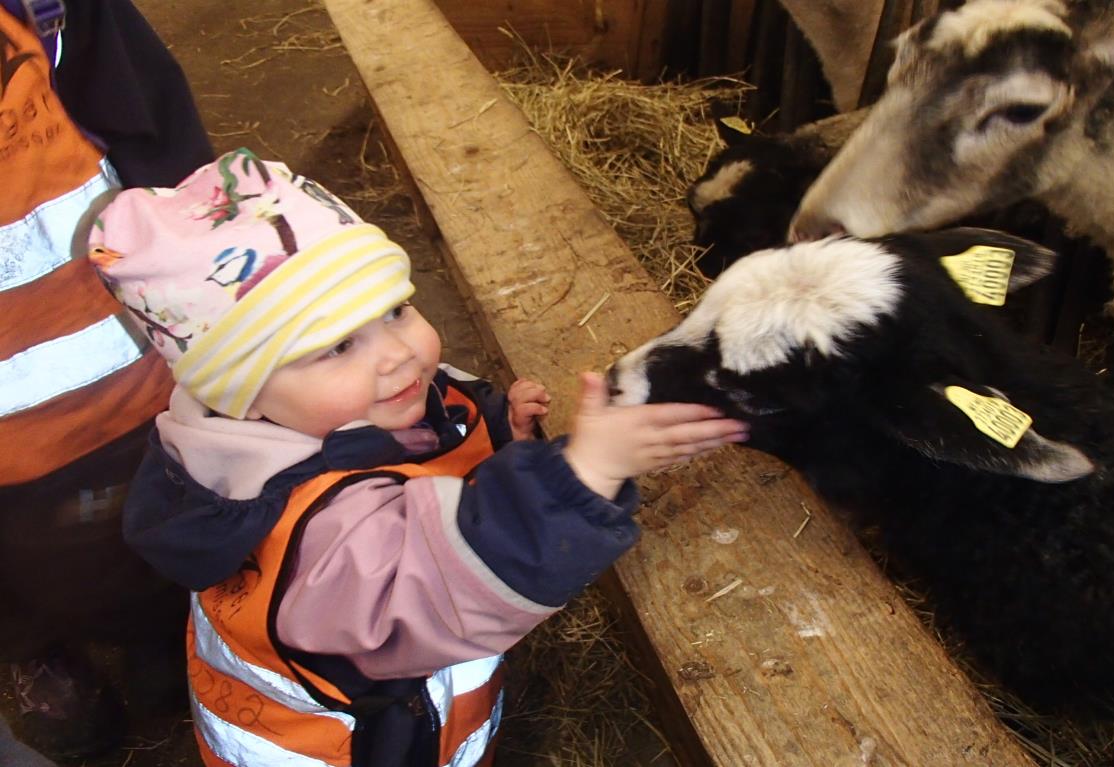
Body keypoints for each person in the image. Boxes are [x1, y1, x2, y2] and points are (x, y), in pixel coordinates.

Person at [87, 148, 749, 767]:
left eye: (397, 309)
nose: (400, 352)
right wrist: (581, 478)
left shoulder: (341, 410)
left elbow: (422, 450)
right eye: (338, 346)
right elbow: (432, 586)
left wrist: (500, 436)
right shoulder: (313, 536)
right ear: (245, 393)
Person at [0, 0, 214, 760]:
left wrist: (206, 282)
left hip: (117, 371)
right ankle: (38, 649)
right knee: (20, 555)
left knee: (142, 504)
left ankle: (165, 628)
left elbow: (151, 124)